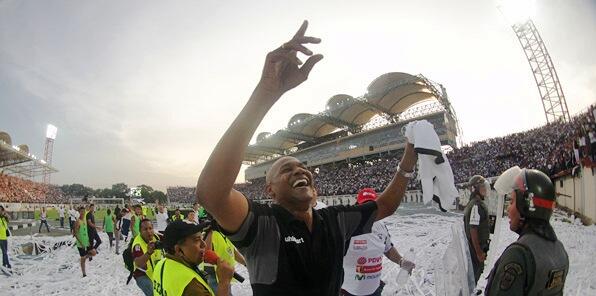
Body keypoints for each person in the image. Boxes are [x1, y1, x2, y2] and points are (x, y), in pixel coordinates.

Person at [196, 21, 417, 295]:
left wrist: (409, 160)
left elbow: (384, 206)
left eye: (302, 167)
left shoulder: (335, 220)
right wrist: (266, 93)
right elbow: (211, 194)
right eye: (286, 169)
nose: (300, 171)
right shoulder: (263, 225)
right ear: (270, 190)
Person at [486, 168, 569, 295]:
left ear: (526, 206)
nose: (508, 209)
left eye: (512, 201)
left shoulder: (519, 254)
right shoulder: (559, 250)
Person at [341, 188, 415, 296]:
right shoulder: (347, 226)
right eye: (364, 205)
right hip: (348, 291)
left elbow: (388, 248)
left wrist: (401, 261)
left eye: (371, 205)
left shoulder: (381, 225)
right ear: (357, 205)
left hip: (374, 290)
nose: (368, 210)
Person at [154, 220, 235, 296]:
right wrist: (224, 283)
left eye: (201, 238)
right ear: (178, 250)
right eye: (197, 240)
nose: (204, 245)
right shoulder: (192, 286)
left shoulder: (160, 264)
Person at [204, 219, 247, 294]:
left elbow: (233, 252)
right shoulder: (211, 234)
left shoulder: (224, 235)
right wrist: (209, 232)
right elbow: (206, 253)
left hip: (226, 273)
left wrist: (245, 263)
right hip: (215, 273)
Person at [463, 175, 490, 284]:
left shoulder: (474, 204)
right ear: (476, 189)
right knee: (473, 276)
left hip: (473, 247)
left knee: (473, 275)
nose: (485, 189)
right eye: (482, 187)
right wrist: (479, 253)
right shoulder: (476, 205)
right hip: (474, 248)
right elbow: (473, 230)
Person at [132, 219, 163, 296]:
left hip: (154, 272)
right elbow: (138, 263)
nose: (149, 231)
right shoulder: (137, 244)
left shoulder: (156, 236)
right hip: (142, 275)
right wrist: (148, 253)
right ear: (140, 231)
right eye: (145, 229)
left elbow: (169, 239)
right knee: (154, 294)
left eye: (150, 228)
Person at [74, 206, 96, 277]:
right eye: (81, 211)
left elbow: (85, 231)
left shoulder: (84, 220)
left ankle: (82, 258)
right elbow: (75, 234)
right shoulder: (78, 221)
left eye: (84, 211)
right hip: (81, 244)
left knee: (94, 253)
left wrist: (88, 241)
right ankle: (84, 274)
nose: (83, 213)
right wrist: (80, 243)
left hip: (86, 242)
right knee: (83, 259)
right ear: (79, 212)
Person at [0, 206, 11, 270]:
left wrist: (5, 214)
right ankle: (8, 265)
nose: (0, 211)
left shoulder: (4, 219)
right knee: (4, 252)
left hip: (5, 238)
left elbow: (9, 218)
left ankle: (4, 264)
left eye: (1, 210)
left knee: (5, 252)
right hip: (0, 238)